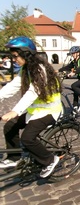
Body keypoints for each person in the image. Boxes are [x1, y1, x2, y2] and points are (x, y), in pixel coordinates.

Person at [0, 36, 62, 178]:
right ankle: (14, 158)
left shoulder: (40, 69)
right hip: (35, 111)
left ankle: (50, 160)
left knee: (27, 139)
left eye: (16, 56)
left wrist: (15, 111)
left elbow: (33, 92)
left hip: (50, 111)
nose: (14, 59)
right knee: (9, 126)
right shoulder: (26, 69)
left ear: (25, 53)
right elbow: (13, 86)